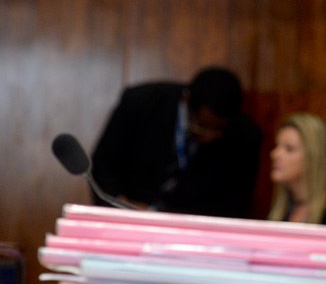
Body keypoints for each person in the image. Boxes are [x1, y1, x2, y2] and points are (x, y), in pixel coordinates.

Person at [91, 66, 262, 218]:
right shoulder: (141, 103)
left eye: (217, 130)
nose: (209, 136)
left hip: (192, 229)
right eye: (202, 127)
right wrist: (119, 205)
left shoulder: (245, 137)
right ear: (186, 100)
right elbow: (103, 164)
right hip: (127, 214)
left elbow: (234, 206)